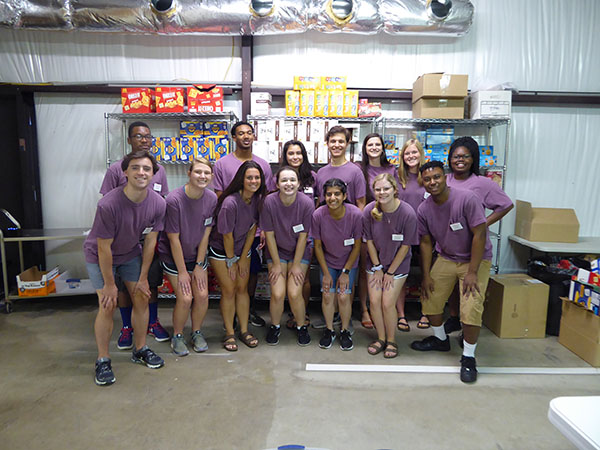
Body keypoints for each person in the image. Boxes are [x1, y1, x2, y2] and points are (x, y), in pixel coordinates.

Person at [84, 150, 166, 386]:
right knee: (107, 304)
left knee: (141, 298)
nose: (141, 172)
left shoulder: (158, 204)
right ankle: (103, 359)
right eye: (135, 168)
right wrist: (110, 285)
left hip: (130, 254)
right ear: (125, 172)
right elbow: (103, 248)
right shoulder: (108, 204)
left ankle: (140, 349)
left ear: (153, 174)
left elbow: (150, 241)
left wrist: (142, 278)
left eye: (147, 169)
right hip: (99, 255)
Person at [410, 161, 493, 383]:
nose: (432, 182)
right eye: (427, 179)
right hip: (447, 257)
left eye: (436, 177)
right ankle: (440, 340)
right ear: (423, 183)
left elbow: (480, 234)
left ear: (445, 177)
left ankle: (468, 357)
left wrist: (473, 272)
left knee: (471, 307)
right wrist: (426, 275)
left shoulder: (467, 199)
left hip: (475, 260)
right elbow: (426, 243)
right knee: (430, 299)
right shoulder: (424, 209)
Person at [99, 121, 170, 351]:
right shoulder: (116, 169)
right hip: (121, 240)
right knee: (122, 287)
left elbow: (163, 200)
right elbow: (106, 203)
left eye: (148, 136)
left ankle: (153, 322)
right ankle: (127, 326)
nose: (144, 140)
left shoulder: (158, 169)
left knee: (149, 281)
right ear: (129, 140)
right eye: (139, 136)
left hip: (148, 237)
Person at [443, 136, 514, 336]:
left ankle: (468, 337)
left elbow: (506, 204)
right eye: (456, 156)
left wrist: (483, 224)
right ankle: (454, 318)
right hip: (448, 249)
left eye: (466, 156)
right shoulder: (444, 180)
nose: (460, 160)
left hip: (474, 250)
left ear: (473, 159)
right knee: (452, 291)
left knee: (471, 294)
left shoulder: (482, 183)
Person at [212, 121, 276, 328]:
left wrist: (263, 228)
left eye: (249, 133)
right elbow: (220, 196)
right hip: (229, 229)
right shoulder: (222, 164)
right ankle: (230, 320)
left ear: (254, 136)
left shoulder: (263, 164)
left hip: (252, 230)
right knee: (230, 282)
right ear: (234, 137)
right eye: (241, 133)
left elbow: (265, 198)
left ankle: (246, 313)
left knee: (250, 275)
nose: (246, 136)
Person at [157, 157, 217, 356]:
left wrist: (199, 265)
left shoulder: (211, 199)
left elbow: (206, 233)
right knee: (185, 297)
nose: (202, 176)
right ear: (189, 173)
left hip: (196, 254)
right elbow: (173, 239)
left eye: (207, 173)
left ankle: (197, 332)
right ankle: (178, 335)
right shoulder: (174, 200)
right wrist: (183, 272)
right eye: (198, 172)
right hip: (175, 256)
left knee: (201, 295)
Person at [312, 126, 366, 332]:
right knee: (329, 286)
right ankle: (332, 320)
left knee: (346, 287)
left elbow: (361, 203)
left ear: (347, 143)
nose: (336, 145)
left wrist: (356, 230)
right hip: (329, 235)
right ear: (327, 143)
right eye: (333, 141)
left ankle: (345, 322)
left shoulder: (355, 171)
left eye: (341, 141)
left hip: (350, 232)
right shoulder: (322, 172)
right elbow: (320, 202)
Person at [208, 161, 266, 351]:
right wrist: (232, 260)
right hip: (222, 251)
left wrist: (243, 258)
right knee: (229, 289)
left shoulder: (257, 200)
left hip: (242, 249)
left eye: (257, 177)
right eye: (249, 177)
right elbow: (226, 235)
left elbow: (252, 230)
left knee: (242, 288)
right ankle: (229, 333)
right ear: (241, 179)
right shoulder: (230, 203)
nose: (254, 181)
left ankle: (243, 330)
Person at [363, 174, 418, 358]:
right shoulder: (369, 211)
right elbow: (369, 241)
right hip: (376, 263)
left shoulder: (407, 213)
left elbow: (405, 245)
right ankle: (380, 338)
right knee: (375, 301)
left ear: (395, 189)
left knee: (387, 303)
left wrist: (390, 272)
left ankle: (392, 340)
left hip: (398, 265)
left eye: (386, 188)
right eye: (378, 189)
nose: (382, 192)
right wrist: (378, 268)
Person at [261, 166, 315, 346]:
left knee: (294, 292)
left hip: (299, 252)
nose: (288, 184)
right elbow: (268, 234)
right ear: (277, 184)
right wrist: (276, 264)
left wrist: (297, 264)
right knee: (277, 293)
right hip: (276, 251)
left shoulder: (306, 203)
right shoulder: (269, 202)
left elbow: (303, 236)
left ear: (299, 183)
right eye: (284, 180)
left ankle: (301, 326)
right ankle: (275, 326)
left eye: (292, 180)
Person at [311, 178, 362, 351]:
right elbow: (317, 246)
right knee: (327, 295)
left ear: (344, 196)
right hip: (328, 261)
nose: (333, 198)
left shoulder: (355, 214)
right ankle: (329, 330)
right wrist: (325, 273)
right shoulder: (318, 215)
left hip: (348, 262)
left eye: (337, 194)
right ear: (324, 196)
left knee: (343, 296)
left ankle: (345, 330)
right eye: (329, 194)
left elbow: (356, 246)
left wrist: (346, 272)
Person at [357, 133, 400, 330]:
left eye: (377, 144)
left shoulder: (392, 169)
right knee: (367, 269)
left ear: (383, 147)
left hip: (390, 225)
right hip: (367, 223)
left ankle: (389, 309)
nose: (374, 147)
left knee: (391, 266)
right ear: (364, 148)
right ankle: (365, 309)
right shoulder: (359, 168)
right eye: (370, 144)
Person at [281, 140, 318, 329]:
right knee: (287, 277)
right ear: (285, 156)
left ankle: (302, 313)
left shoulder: (312, 177)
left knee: (303, 277)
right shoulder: (279, 176)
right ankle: (292, 312)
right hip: (284, 234)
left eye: (298, 153)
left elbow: (320, 203)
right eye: (290, 153)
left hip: (308, 233)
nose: (295, 157)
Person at [396, 139, 430, 331]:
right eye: (407, 153)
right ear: (402, 156)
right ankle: (401, 315)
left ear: (420, 154)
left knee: (427, 274)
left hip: (425, 235)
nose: (411, 157)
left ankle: (426, 312)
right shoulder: (397, 177)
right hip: (402, 235)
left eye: (414, 153)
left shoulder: (427, 176)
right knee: (402, 275)